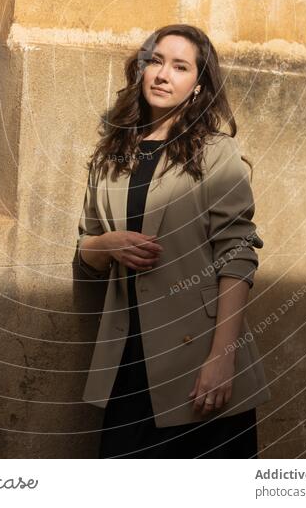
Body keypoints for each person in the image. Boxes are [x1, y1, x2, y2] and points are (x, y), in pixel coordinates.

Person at [75, 24, 271, 458]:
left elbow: (238, 255)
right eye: (156, 61)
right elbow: (86, 250)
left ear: (198, 86)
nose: (163, 75)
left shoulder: (217, 154)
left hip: (198, 360)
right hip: (125, 361)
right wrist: (107, 245)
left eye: (180, 67)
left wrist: (223, 359)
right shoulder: (110, 156)